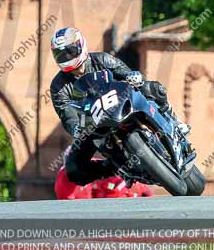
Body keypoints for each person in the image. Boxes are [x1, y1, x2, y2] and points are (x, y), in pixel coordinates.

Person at [49, 26, 190, 185]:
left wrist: (134, 76)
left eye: (69, 50)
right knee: (74, 169)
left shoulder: (102, 59)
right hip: (92, 125)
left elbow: (125, 72)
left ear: (80, 45)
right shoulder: (58, 86)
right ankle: (114, 168)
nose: (66, 56)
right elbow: (65, 112)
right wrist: (75, 127)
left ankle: (174, 122)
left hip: (121, 103)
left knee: (155, 89)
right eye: (60, 54)